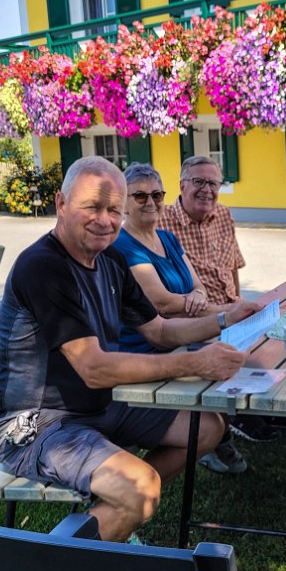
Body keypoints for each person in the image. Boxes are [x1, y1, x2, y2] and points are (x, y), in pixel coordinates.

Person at [0, 156, 260, 543]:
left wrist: (226, 318)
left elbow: (159, 331)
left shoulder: (110, 258)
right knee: (140, 487)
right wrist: (195, 362)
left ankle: (115, 508)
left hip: (101, 405)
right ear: (61, 204)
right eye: (92, 207)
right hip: (36, 426)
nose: (105, 220)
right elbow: (94, 368)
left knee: (208, 428)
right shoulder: (43, 267)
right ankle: (59, 567)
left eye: (114, 209)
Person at [160, 155, 286, 464]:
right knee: (243, 350)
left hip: (231, 309)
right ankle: (233, 418)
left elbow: (232, 266)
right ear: (182, 185)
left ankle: (268, 407)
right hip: (197, 318)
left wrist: (238, 301)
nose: (207, 190)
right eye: (198, 182)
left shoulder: (223, 214)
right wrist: (227, 314)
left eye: (213, 183)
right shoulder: (162, 223)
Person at [112, 162, 248, 474]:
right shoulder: (122, 245)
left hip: (180, 339)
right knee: (215, 405)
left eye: (157, 195)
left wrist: (199, 300)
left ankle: (223, 437)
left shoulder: (167, 239)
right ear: (123, 203)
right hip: (146, 355)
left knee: (238, 362)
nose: (151, 202)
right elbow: (163, 303)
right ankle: (133, 487)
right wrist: (223, 312)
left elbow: (198, 287)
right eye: (140, 196)